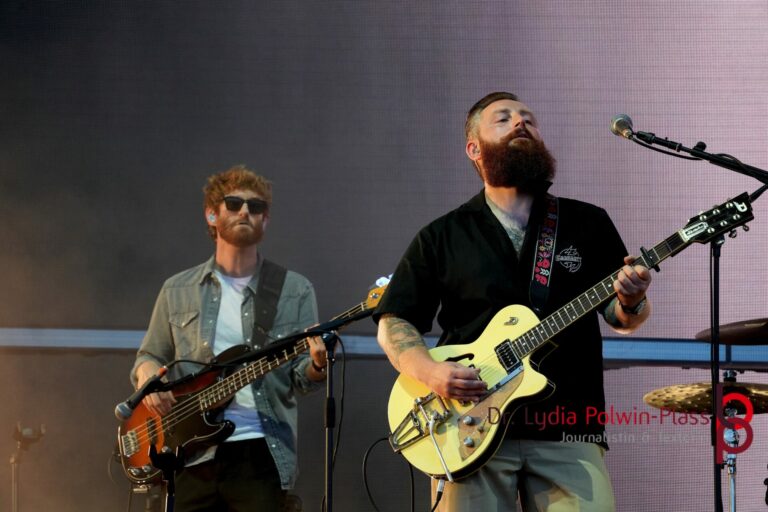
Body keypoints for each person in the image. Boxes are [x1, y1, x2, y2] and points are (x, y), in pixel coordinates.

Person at [374, 92, 652, 512]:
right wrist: (429, 371)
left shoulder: (587, 221)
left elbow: (622, 317)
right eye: (503, 119)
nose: (521, 123)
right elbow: (395, 321)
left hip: (568, 423)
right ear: (474, 149)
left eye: (528, 119)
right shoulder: (442, 235)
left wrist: (632, 299)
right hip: (468, 427)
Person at [131, 165, 328, 511]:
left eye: (255, 208)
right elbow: (149, 356)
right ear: (211, 214)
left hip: (260, 451)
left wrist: (316, 364)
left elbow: (301, 379)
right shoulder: (177, 289)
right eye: (234, 203)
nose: (244, 212)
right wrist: (149, 379)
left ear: (265, 221)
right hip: (188, 452)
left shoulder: (294, 290)